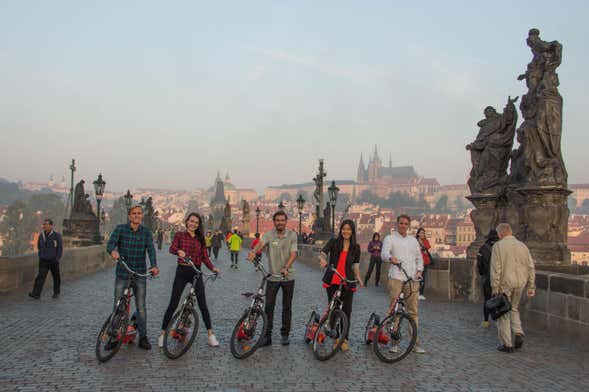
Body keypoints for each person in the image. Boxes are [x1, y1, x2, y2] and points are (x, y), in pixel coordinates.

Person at [159, 213, 220, 348]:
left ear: (199, 225)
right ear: (187, 222)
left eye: (196, 223)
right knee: (173, 303)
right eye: (191, 221)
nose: (193, 224)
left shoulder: (200, 239)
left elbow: (205, 257)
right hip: (182, 270)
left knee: (203, 304)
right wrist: (179, 252)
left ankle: (210, 335)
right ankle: (163, 333)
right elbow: (172, 248)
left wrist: (213, 268)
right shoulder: (180, 235)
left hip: (196, 272)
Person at [106, 205, 159, 350]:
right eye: (133, 213)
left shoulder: (146, 232)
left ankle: (143, 337)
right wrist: (113, 252)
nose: (136, 215)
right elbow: (110, 245)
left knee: (141, 307)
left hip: (139, 273)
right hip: (123, 273)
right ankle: (113, 337)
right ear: (129, 216)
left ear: (142, 216)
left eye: (139, 213)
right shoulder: (120, 229)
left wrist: (154, 265)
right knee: (118, 305)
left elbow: (151, 250)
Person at [248, 211, 298, 346]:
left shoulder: (292, 235)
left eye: (282, 220)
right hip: (273, 276)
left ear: (286, 221)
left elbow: (294, 253)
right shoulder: (269, 235)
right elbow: (261, 244)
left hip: (288, 276)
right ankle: (267, 335)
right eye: (277, 220)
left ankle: (285, 334)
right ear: (274, 222)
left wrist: (286, 267)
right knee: (269, 307)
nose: (280, 222)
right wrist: (253, 252)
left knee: (287, 307)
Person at [381, 214, 426, 354]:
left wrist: (419, 271)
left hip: (412, 278)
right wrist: (390, 257)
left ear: (409, 225)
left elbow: (420, 258)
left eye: (406, 224)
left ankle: (414, 343)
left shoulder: (413, 241)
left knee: (413, 312)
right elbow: (383, 253)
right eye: (401, 223)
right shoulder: (390, 238)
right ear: (397, 223)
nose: (403, 226)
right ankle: (394, 342)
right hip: (396, 277)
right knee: (396, 311)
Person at [319, 219, 364, 351]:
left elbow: (355, 265)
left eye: (349, 229)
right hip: (333, 279)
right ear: (341, 230)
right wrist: (322, 259)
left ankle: (344, 339)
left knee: (347, 311)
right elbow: (323, 252)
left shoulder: (356, 247)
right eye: (344, 229)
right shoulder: (334, 242)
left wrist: (359, 278)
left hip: (347, 281)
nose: (346, 231)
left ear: (353, 231)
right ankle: (334, 335)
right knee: (333, 310)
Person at [491, 223, 535, 353]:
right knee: (514, 308)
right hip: (521, 282)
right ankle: (518, 332)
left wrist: (495, 287)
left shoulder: (498, 246)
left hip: (505, 283)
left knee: (503, 312)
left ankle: (507, 344)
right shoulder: (523, 246)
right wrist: (531, 285)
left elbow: (496, 269)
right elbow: (531, 267)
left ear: (501, 234)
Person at [29, 219, 63, 299]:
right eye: (43, 224)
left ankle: (56, 292)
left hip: (53, 260)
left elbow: (59, 248)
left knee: (56, 277)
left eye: (46, 224)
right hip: (43, 260)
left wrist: (57, 258)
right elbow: (39, 246)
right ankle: (36, 294)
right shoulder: (41, 235)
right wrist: (41, 255)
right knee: (40, 277)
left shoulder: (56, 235)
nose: (44, 226)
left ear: (51, 226)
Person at [476, 229, 500, 328]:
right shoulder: (500, 247)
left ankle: (486, 320)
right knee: (499, 299)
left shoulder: (483, 248)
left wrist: (483, 273)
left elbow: (479, 265)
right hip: (499, 277)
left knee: (487, 299)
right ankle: (498, 319)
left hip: (487, 277)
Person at [416, 228, 432, 300]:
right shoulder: (415, 241)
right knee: (416, 278)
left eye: (423, 233)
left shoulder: (426, 241)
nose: (422, 234)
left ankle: (421, 293)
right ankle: (415, 293)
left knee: (423, 279)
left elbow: (427, 248)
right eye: (421, 233)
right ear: (418, 233)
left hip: (425, 262)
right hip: (417, 262)